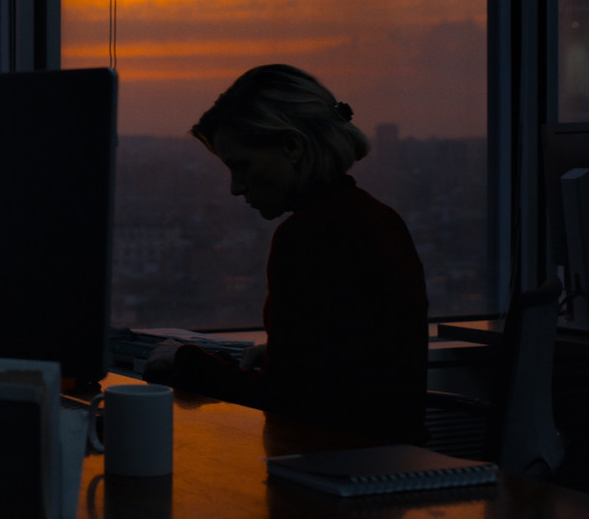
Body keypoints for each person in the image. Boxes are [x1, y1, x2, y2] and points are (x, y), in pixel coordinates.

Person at [142, 64, 428, 444]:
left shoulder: (306, 236)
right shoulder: (380, 219)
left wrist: (186, 362)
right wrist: (283, 355)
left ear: (292, 147)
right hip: (394, 460)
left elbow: (287, 402)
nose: (236, 187)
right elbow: (355, 369)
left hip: (335, 465)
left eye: (241, 166)